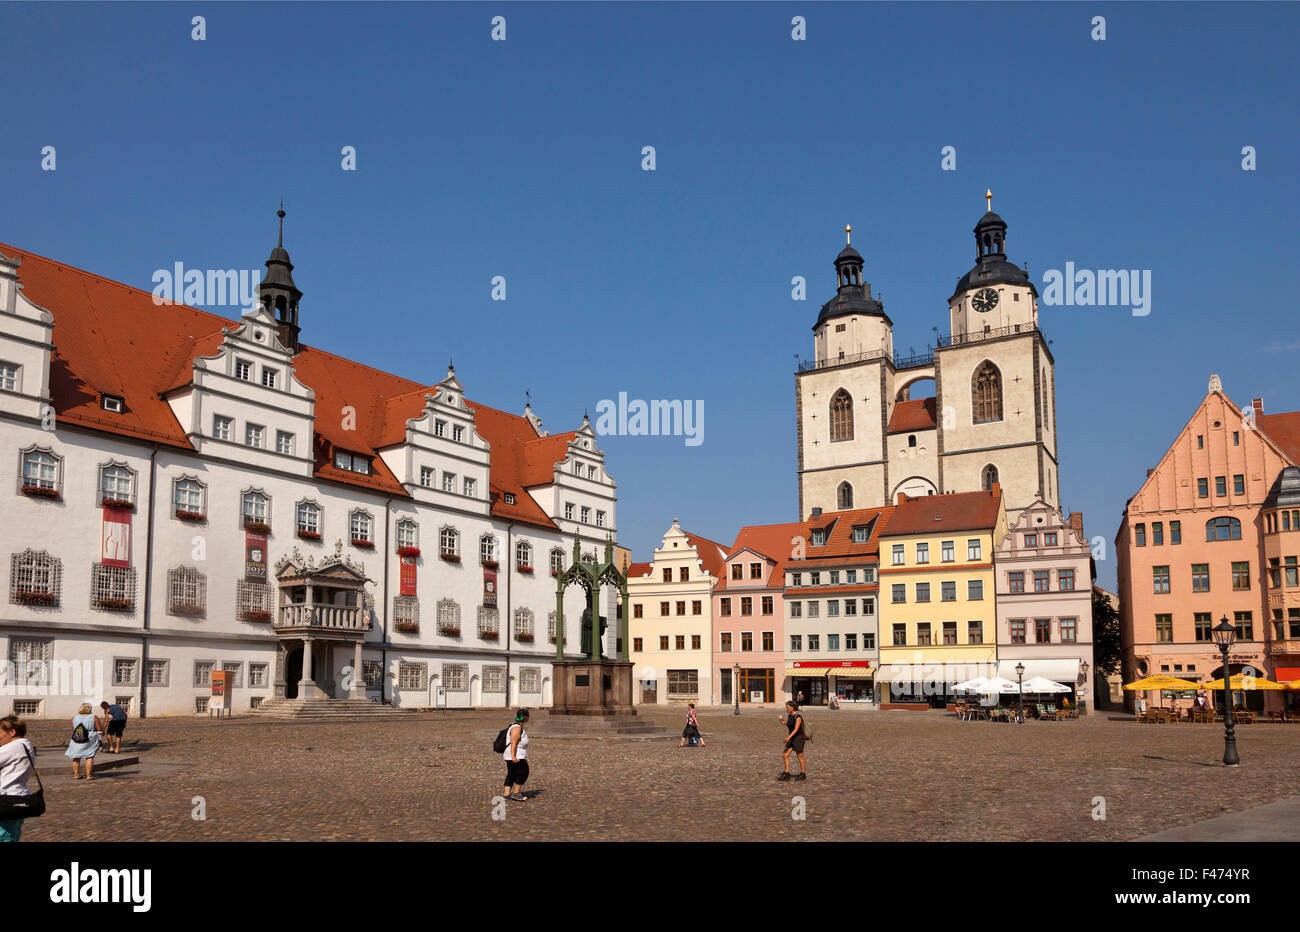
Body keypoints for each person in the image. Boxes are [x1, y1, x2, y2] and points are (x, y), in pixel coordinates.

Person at [0, 715, 35, 842]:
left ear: (12, 732)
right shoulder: (25, 745)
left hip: (6, 798)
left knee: (4, 835)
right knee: (11, 833)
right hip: (17, 797)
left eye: (0, 732)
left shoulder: (13, 747)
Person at [66, 702, 102, 780]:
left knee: (76, 757)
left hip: (77, 738)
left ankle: (76, 774)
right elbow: (99, 729)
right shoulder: (94, 717)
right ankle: (88, 776)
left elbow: (74, 729)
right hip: (90, 738)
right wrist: (100, 740)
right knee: (89, 756)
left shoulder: (74, 718)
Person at [502, 709, 530, 802]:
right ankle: (516, 793)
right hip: (516, 755)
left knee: (512, 773)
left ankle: (506, 794)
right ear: (526, 717)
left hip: (510, 755)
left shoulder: (514, 725)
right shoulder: (517, 728)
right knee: (524, 773)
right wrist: (513, 756)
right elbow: (513, 742)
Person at [778, 701, 806, 781]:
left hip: (798, 738)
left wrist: (788, 737)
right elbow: (790, 725)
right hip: (791, 738)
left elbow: (796, 729)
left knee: (800, 756)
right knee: (785, 755)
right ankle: (787, 773)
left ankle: (803, 773)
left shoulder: (798, 717)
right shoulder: (790, 715)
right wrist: (784, 722)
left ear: (792, 707)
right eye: (786, 707)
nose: (786, 709)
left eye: (787, 707)